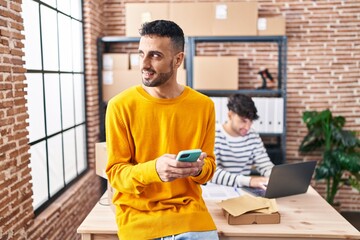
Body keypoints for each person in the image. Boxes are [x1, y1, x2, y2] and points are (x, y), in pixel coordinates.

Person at [105, 20, 218, 240]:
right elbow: (116, 174)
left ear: (178, 60)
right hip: (139, 219)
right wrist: (154, 170)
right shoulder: (119, 106)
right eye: (141, 54)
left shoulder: (204, 106)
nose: (144, 64)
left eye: (155, 56)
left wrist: (197, 170)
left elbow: (209, 168)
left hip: (191, 217)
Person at [210, 94, 274, 190]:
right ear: (230, 115)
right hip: (218, 192)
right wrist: (249, 181)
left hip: (244, 191)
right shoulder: (214, 134)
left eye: (250, 122)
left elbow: (265, 165)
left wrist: (276, 177)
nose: (247, 127)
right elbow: (211, 173)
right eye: (243, 121)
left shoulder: (253, 136)